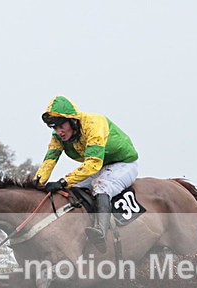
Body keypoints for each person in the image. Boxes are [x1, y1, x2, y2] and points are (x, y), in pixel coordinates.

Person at [35, 96, 139, 251]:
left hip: (123, 164)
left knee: (101, 186)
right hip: (100, 167)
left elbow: (92, 164)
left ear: (73, 120)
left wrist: (64, 181)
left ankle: (100, 231)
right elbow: (50, 160)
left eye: (61, 125)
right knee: (66, 192)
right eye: (55, 128)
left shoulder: (93, 124)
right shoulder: (58, 137)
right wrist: (36, 184)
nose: (59, 131)